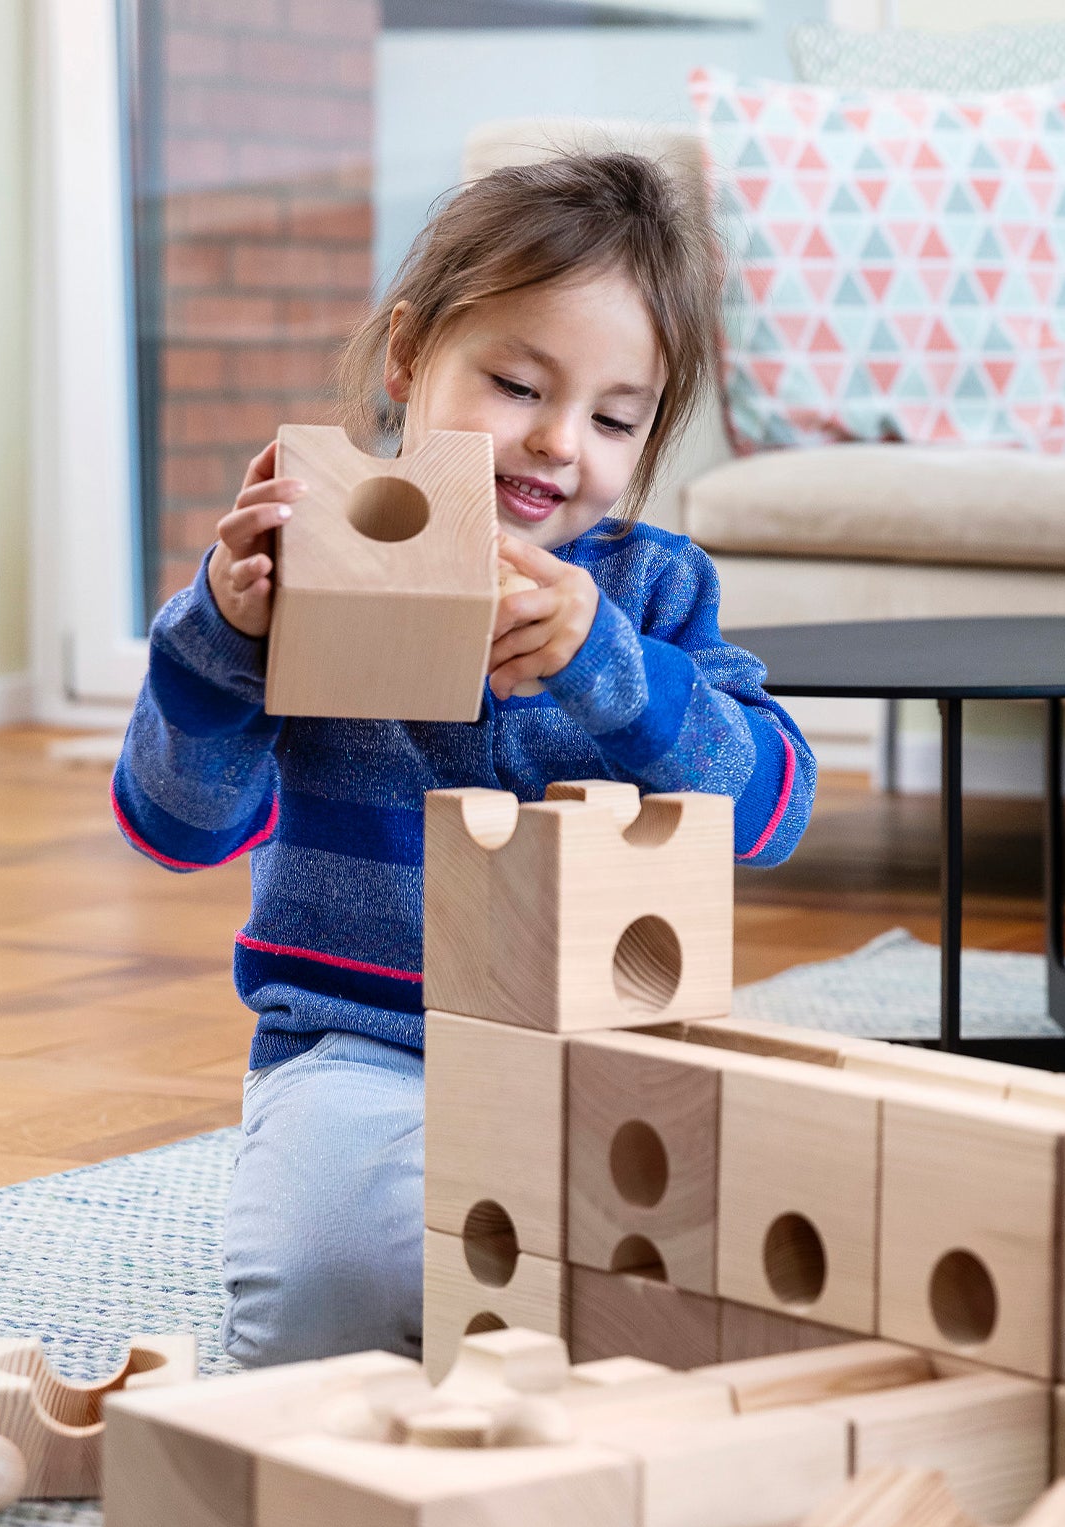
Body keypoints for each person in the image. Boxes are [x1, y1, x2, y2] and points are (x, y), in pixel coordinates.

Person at [111, 151, 817, 1367]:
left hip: (600, 1056)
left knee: (740, 1296)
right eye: (513, 384)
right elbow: (173, 825)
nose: (555, 444)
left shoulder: (651, 592)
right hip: (359, 1044)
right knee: (318, 1305)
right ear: (407, 358)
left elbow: (768, 810)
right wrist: (224, 642)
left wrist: (614, 669)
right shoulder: (308, 561)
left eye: (612, 417)